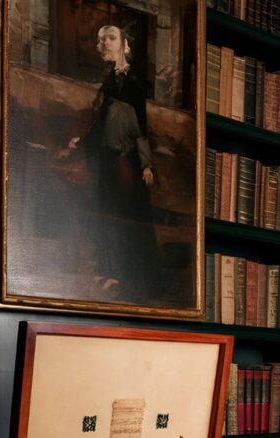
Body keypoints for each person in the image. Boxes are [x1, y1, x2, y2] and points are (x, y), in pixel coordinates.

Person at [61, 24, 162, 300]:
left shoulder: (132, 85)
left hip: (125, 159)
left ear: (124, 45)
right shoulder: (109, 82)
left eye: (111, 38)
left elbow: (140, 129)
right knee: (107, 214)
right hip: (107, 160)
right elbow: (100, 124)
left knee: (125, 216)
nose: (104, 43)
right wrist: (79, 144)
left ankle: (126, 275)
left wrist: (145, 165)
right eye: (101, 39)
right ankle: (109, 271)